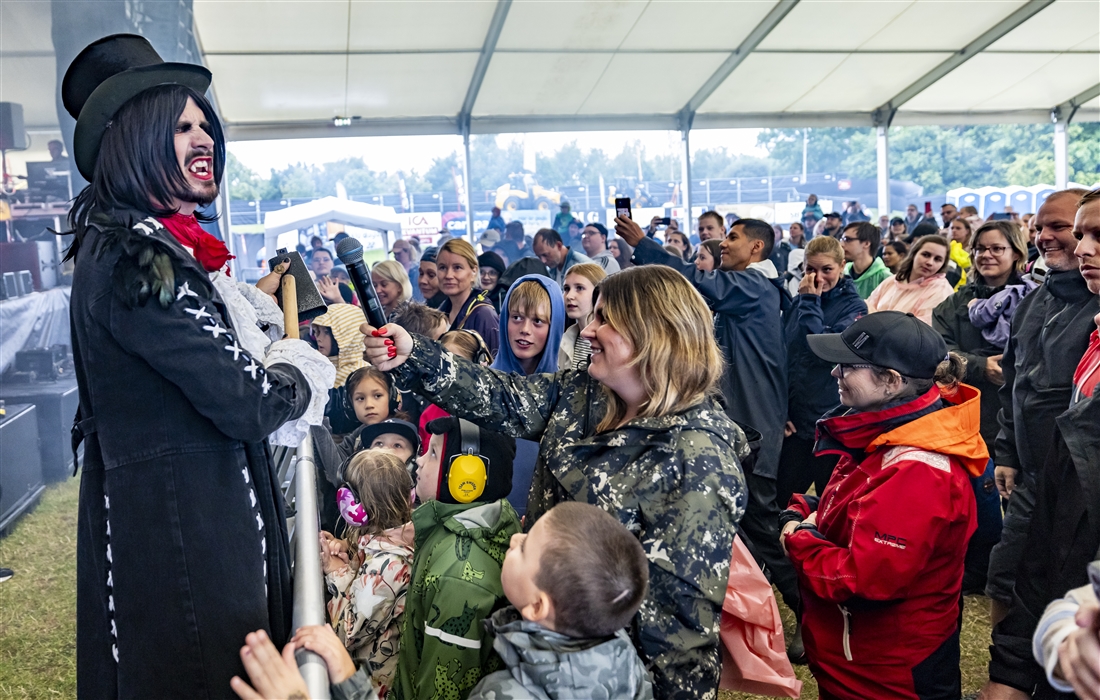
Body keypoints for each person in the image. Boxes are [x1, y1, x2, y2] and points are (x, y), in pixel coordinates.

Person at [62, 34, 333, 697]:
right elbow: (251, 401)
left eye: (204, 122)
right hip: (185, 546)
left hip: (190, 532)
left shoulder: (137, 246)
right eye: (181, 125)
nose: (203, 135)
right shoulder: (133, 257)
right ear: (138, 140)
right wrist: (299, 368)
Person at [363, 265, 749, 700]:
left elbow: (682, 638)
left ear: (651, 336)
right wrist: (415, 354)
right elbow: (502, 397)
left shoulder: (696, 462)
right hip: (548, 647)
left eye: (605, 320)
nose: (587, 331)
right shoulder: (588, 391)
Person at [781, 312, 986, 699]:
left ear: (892, 381)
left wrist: (797, 538)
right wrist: (807, 508)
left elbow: (863, 580)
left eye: (848, 366)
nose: (834, 373)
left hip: (887, 673)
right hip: (863, 659)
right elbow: (853, 504)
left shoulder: (919, 471)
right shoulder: (882, 428)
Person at [617, 215, 795, 619]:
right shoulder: (750, 292)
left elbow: (688, 281)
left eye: (732, 237)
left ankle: (810, 607)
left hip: (752, 433)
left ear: (757, 249)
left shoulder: (753, 286)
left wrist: (644, 244)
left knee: (761, 530)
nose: (722, 243)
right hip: (742, 428)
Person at [982, 188, 1100, 699]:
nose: (1076, 244)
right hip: (1042, 479)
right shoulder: (1037, 300)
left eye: (1065, 228)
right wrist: (1008, 452)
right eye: (1044, 227)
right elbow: (1017, 383)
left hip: (1080, 495)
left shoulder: (1089, 313)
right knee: (1009, 579)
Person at [466, 502, 652, 700]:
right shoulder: (628, 660)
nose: (514, 539)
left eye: (523, 549)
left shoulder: (497, 694)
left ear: (537, 607)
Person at [394, 416, 521, 700]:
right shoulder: (454, 528)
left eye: (434, 453)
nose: (420, 461)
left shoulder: (458, 577)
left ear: (467, 477)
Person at [777, 235, 866, 515]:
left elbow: (824, 350)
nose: (817, 277)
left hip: (832, 421)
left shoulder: (855, 307)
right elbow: (784, 356)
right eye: (810, 270)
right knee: (783, 496)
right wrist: (782, 410)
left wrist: (810, 303)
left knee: (830, 503)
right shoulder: (798, 302)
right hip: (796, 419)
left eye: (826, 269)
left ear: (842, 266)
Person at [322, 450, 415, 699]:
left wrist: (335, 570)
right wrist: (345, 552)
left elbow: (346, 634)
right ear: (410, 496)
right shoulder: (386, 547)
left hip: (371, 687)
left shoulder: (387, 567)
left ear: (351, 506)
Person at [866, 234, 955, 324]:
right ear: (914, 254)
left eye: (937, 259)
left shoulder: (941, 291)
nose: (930, 262)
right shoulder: (892, 281)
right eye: (926, 255)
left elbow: (921, 329)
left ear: (943, 264)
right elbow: (866, 308)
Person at [437, 238, 499, 356]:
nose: (448, 275)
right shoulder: (441, 310)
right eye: (442, 267)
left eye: (457, 267)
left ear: (474, 271)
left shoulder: (484, 314)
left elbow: (496, 369)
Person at [558, 263, 606, 370]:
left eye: (579, 288)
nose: (569, 296)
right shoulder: (565, 339)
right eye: (566, 289)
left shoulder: (608, 339)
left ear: (598, 293)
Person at [840, 221, 891, 299]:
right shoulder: (842, 271)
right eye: (842, 239)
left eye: (847, 239)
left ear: (866, 243)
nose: (841, 245)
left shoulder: (885, 278)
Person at [947, 216, 974, 290]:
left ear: (967, 231)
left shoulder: (972, 249)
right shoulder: (945, 247)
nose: (954, 230)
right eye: (952, 228)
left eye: (958, 228)